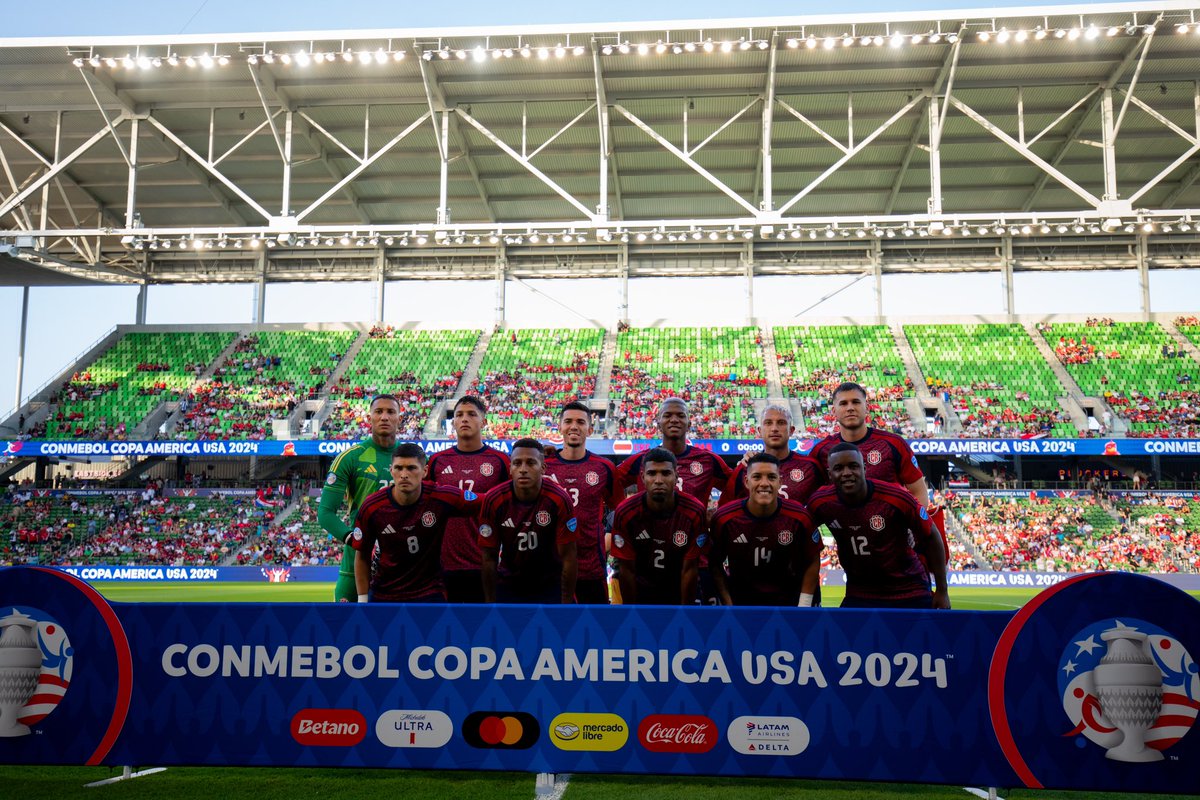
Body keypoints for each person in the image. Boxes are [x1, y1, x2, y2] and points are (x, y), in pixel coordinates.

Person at [613, 397, 733, 603]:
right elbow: (603, 483)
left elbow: (740, 487)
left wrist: (718, 517)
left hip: (696, 562)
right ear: (658, 422)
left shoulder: (708, 460)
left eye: (680, 415)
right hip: (647, 566)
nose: (674, 420)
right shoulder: (640, 461)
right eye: (668, 415)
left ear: (689, 422)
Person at [806, 442, 950, 609]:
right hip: (859, 591)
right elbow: (801, 532)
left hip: (908, 588)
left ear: (865, 468)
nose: (847, 473)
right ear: (830, 474)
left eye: (853, 466)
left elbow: (932, 536)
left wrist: (942, 590)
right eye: (839, 468)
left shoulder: (896, 498)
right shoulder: (820, 502)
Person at [808, 381, 946, 554]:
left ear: (867, 408)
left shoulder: (893, 444)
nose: (850, 407)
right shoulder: (821, 451)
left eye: (856, 402)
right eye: (843, 403)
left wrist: (912, 527)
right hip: (853, 548)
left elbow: (918, 490)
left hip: (896, 543)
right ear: (833, 411)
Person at [351, 443, 481, 602]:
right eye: (398, 468)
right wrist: (362, 600)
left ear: (425, 471)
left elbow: (488, 503)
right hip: (384, 593)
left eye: (411, 468)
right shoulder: (373, 506)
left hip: (429, 592)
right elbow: (362, 555)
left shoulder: (441, 496)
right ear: (391, 470)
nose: (404, 474)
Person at [709, 453, 823, 607]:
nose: (764, 483)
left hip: (789, 604)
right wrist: (728, 604)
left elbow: (813, 559)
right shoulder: (725, 518)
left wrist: (803, 605)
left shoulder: (800, 517)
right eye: (757, 477)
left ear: (780, 482)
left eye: (771, 477)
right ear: (746, 482)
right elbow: (715, 564)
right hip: (741, 604)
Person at [317, 394, 401, 602]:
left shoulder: (414, 458)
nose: (384, 417)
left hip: (403, 565)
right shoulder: (350, 458)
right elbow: (325, 513)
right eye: (378, 412)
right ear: (369, 417)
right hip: (354, 564)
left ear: (399, 418)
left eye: (390, 412)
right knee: (347, 633)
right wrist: (352, 539)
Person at [427, 396, 510, 603]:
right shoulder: (438, 460)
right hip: (443, 565)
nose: (464, 419)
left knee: (485, 630)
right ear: (453, 422)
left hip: (487, 563)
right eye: (459, 415)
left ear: (484, 422)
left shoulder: (500, 461)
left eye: (472, 414)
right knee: (446, 632)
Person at [479, 438, 578, 604]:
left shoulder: (559, 499)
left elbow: (569, 557)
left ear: (543, 468)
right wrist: (490, 604)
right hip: (509, 584)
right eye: (517, 463)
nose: (523, 469)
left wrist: (565, 604)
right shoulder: (493, 499)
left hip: (550, 586)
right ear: (510, 468)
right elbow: (489, 557)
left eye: (531, 463)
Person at [610, 448, 708, 605]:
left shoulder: (694, 511)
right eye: (652, 473)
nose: (658, 480)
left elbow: (689, 569)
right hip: (641, 593)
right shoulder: (626, 512)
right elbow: (627, 570)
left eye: (666, 473)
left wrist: (685, 612)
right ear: (642, 477)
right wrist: (632, 611)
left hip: (679, 592)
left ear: (676, 476)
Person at [544, 400, 619, 604]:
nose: (574, 426)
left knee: (595, 631)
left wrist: (611, 543)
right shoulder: (543, 465)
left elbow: (620, 511)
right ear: (559, 427)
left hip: (590, 567)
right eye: (568, 421)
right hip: (549, 567)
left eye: (580, 421)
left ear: (590, 428)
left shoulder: (604, 468)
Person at [724, 404, 823, 504]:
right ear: (760, 431)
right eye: (768, 423)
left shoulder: (810, 467)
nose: (774, 428)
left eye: (781, 423)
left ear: (791, 430)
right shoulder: (745, 467)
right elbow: (726, 509)